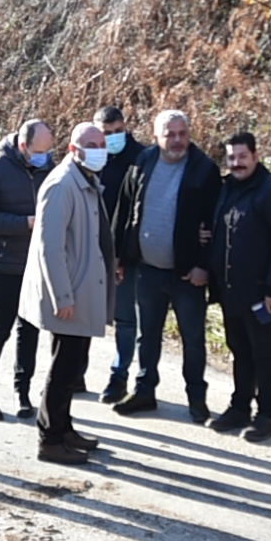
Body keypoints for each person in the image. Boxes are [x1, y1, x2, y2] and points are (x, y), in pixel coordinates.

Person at [111, 107, 220, 419]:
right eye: (169, 134)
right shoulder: (143, 162)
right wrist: (120, 255)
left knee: (193, 339)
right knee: (148, 335)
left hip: (187, 274)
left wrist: (203, 265)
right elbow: (125, 209)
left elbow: (214, 223)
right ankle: (145, 392)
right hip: (147, 269)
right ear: (156, 136)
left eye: (182, 133)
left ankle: (197, 399)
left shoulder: (204, 170)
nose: (177, 140)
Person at [30, 118, 122, 464]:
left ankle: (62, 427)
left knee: (73, 364)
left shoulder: (84, 179)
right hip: (70, 294)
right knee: (64, 367)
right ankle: (50, 441)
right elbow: (48, 247)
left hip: (82, 289)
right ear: (74, 149)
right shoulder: (61, 185)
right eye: (93, 146)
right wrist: (62, 297)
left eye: (102, 144)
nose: (100, 151)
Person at [208, 129, 271, 444]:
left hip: (264, 294)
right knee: (240, 351)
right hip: (232, 289)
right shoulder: (226, 188)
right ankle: (239, 409)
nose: (237, 163)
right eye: (231, 157)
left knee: (264, 354)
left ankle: (267, 417)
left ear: (255, 156)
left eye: (242, 156)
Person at [0, 116, 56, 416]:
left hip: (36, 261)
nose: (45, 156)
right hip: (5, 262)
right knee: (0, 327)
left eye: (48, 150)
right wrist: (25, 224)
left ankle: (23, 392)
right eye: (40, 150)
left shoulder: (49, 168)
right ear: (23, 145)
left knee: (30, 328)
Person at [90, 103, 149, 403]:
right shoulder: (90, 158)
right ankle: (74, 372)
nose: (113, 137)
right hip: (89, 248)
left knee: (125, 318)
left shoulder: (141, 159)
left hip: (124, 252)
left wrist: (124, 256)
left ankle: (119, 375)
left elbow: (138, 213)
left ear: (125, 127)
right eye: (106, 133)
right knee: (83, 312)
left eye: (118, 131)